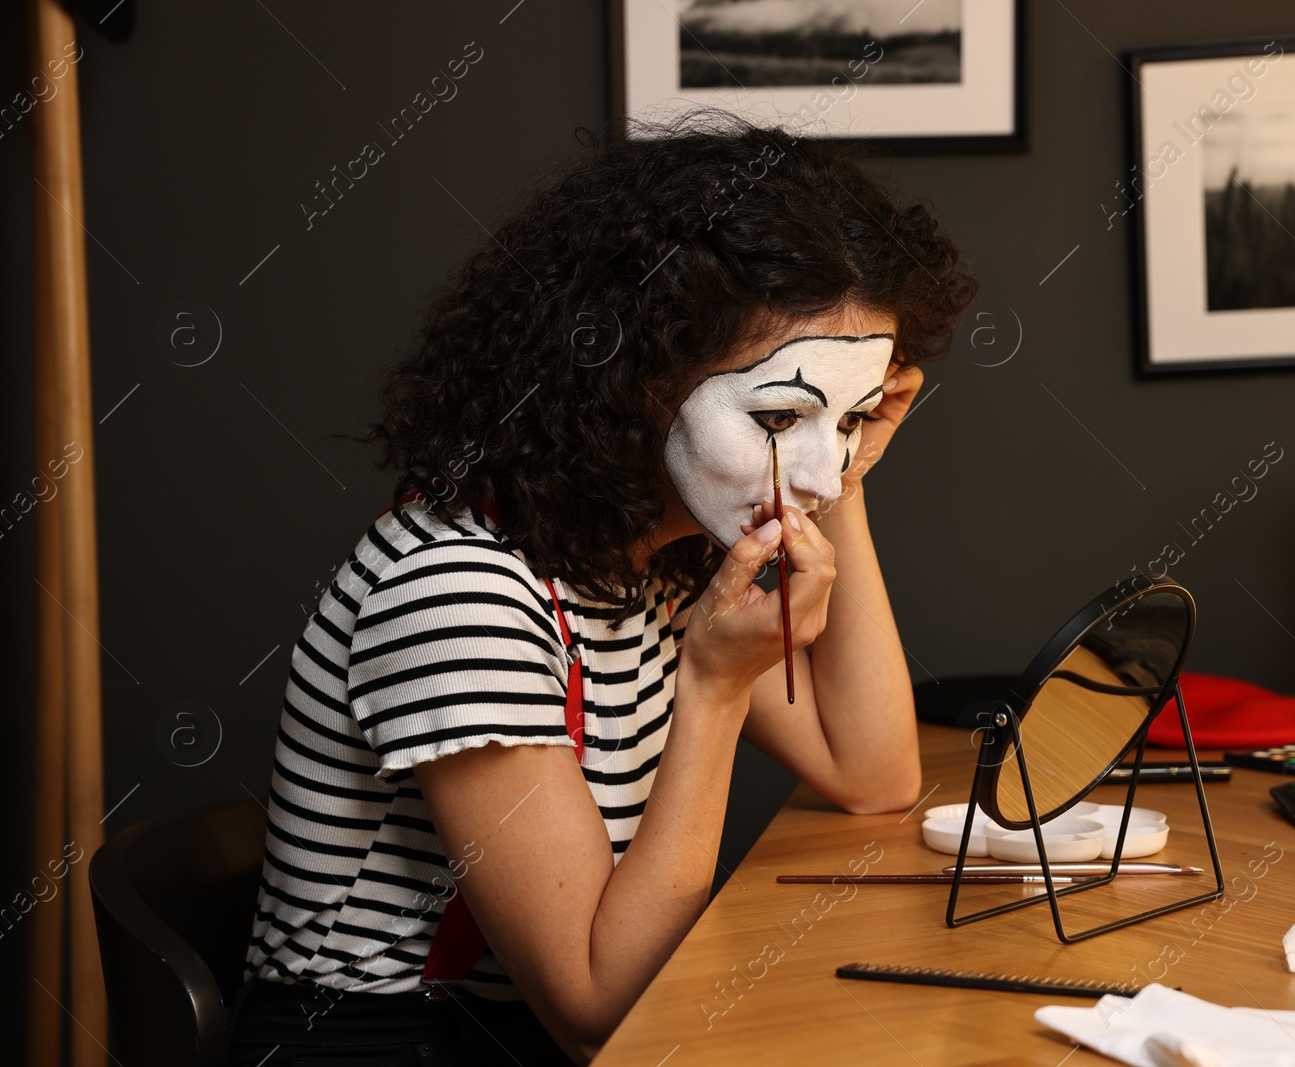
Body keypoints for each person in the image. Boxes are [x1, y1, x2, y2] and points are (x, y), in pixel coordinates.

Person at [228, 109, 978, 1066]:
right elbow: (598, 1007)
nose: (821, 470)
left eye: (853, 415)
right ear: (634, 379)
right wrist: (709, 687)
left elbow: (876, 777)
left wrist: (849, 461)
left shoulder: (658, 558)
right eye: (784, 413)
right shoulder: (455, 591)